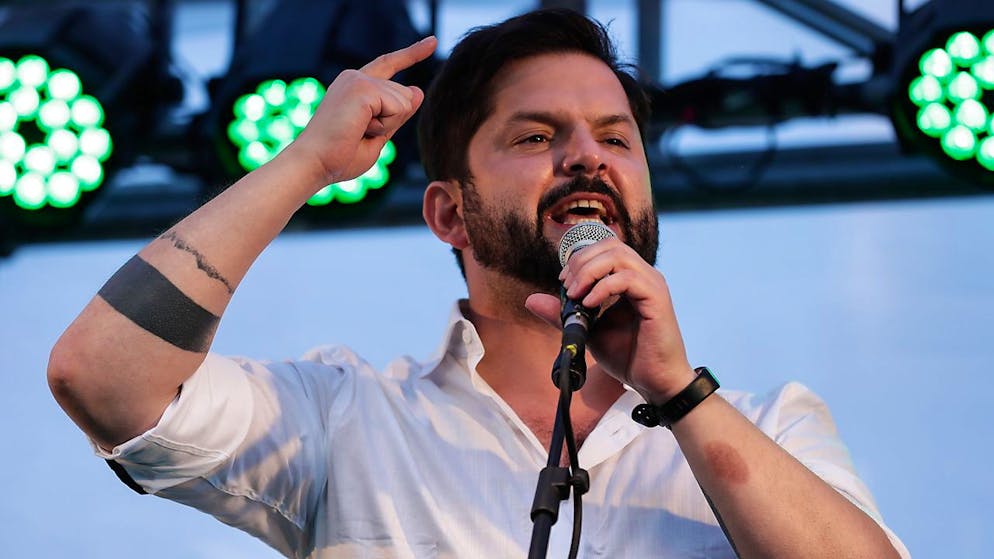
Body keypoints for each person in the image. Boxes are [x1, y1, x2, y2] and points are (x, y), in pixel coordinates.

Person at [48, 8, 909, 559]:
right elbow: (102, 376)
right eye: (536, 137)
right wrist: (305, 163)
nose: (586, 156)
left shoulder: (767, 425)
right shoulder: (348, 418)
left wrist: (678, 394)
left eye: (616, 138)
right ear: (449, 214)